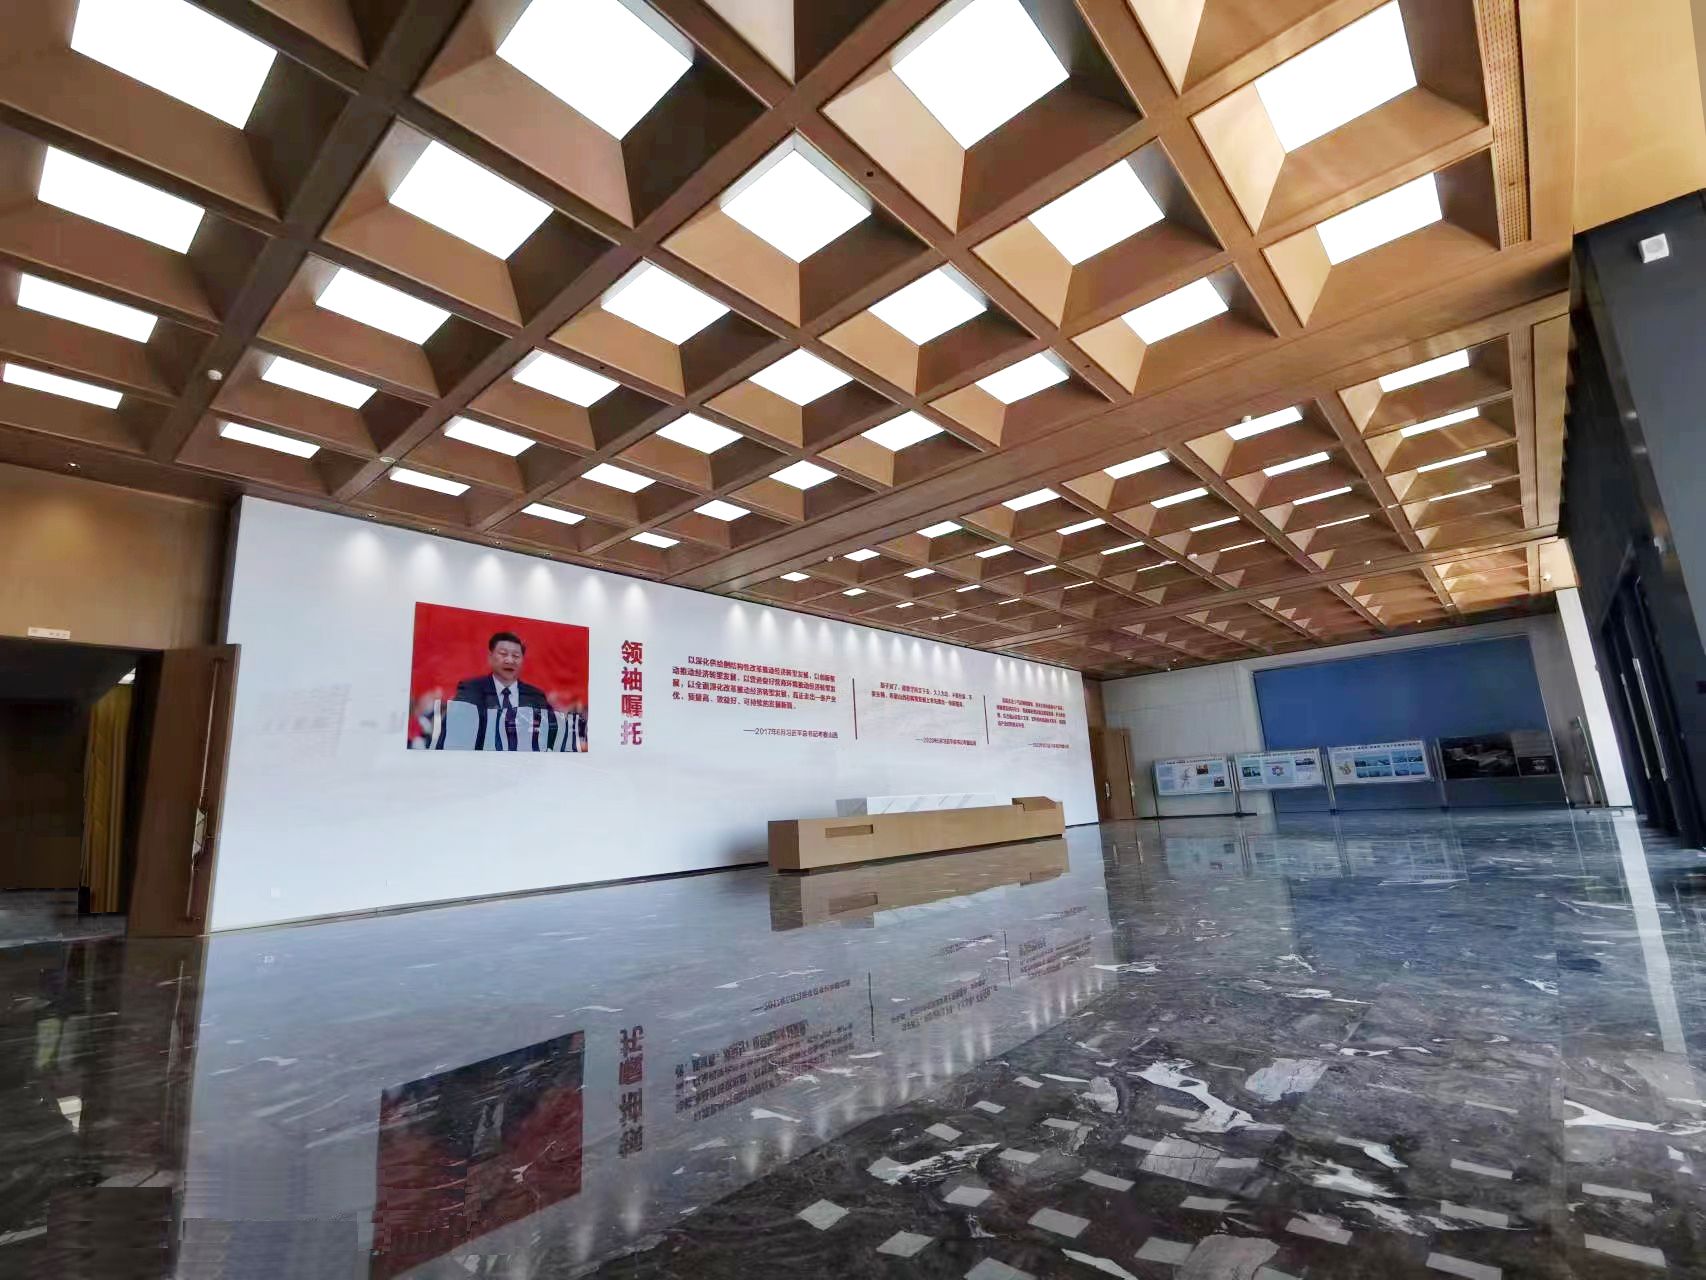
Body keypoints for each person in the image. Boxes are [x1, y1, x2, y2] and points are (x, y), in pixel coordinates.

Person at [452, 632, 552, 751]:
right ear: (490, 657)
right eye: (503, 654)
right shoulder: (471, 690)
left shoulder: (535, 696)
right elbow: (457, 731)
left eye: (516, 656)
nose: (510, 660)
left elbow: (551, 733)